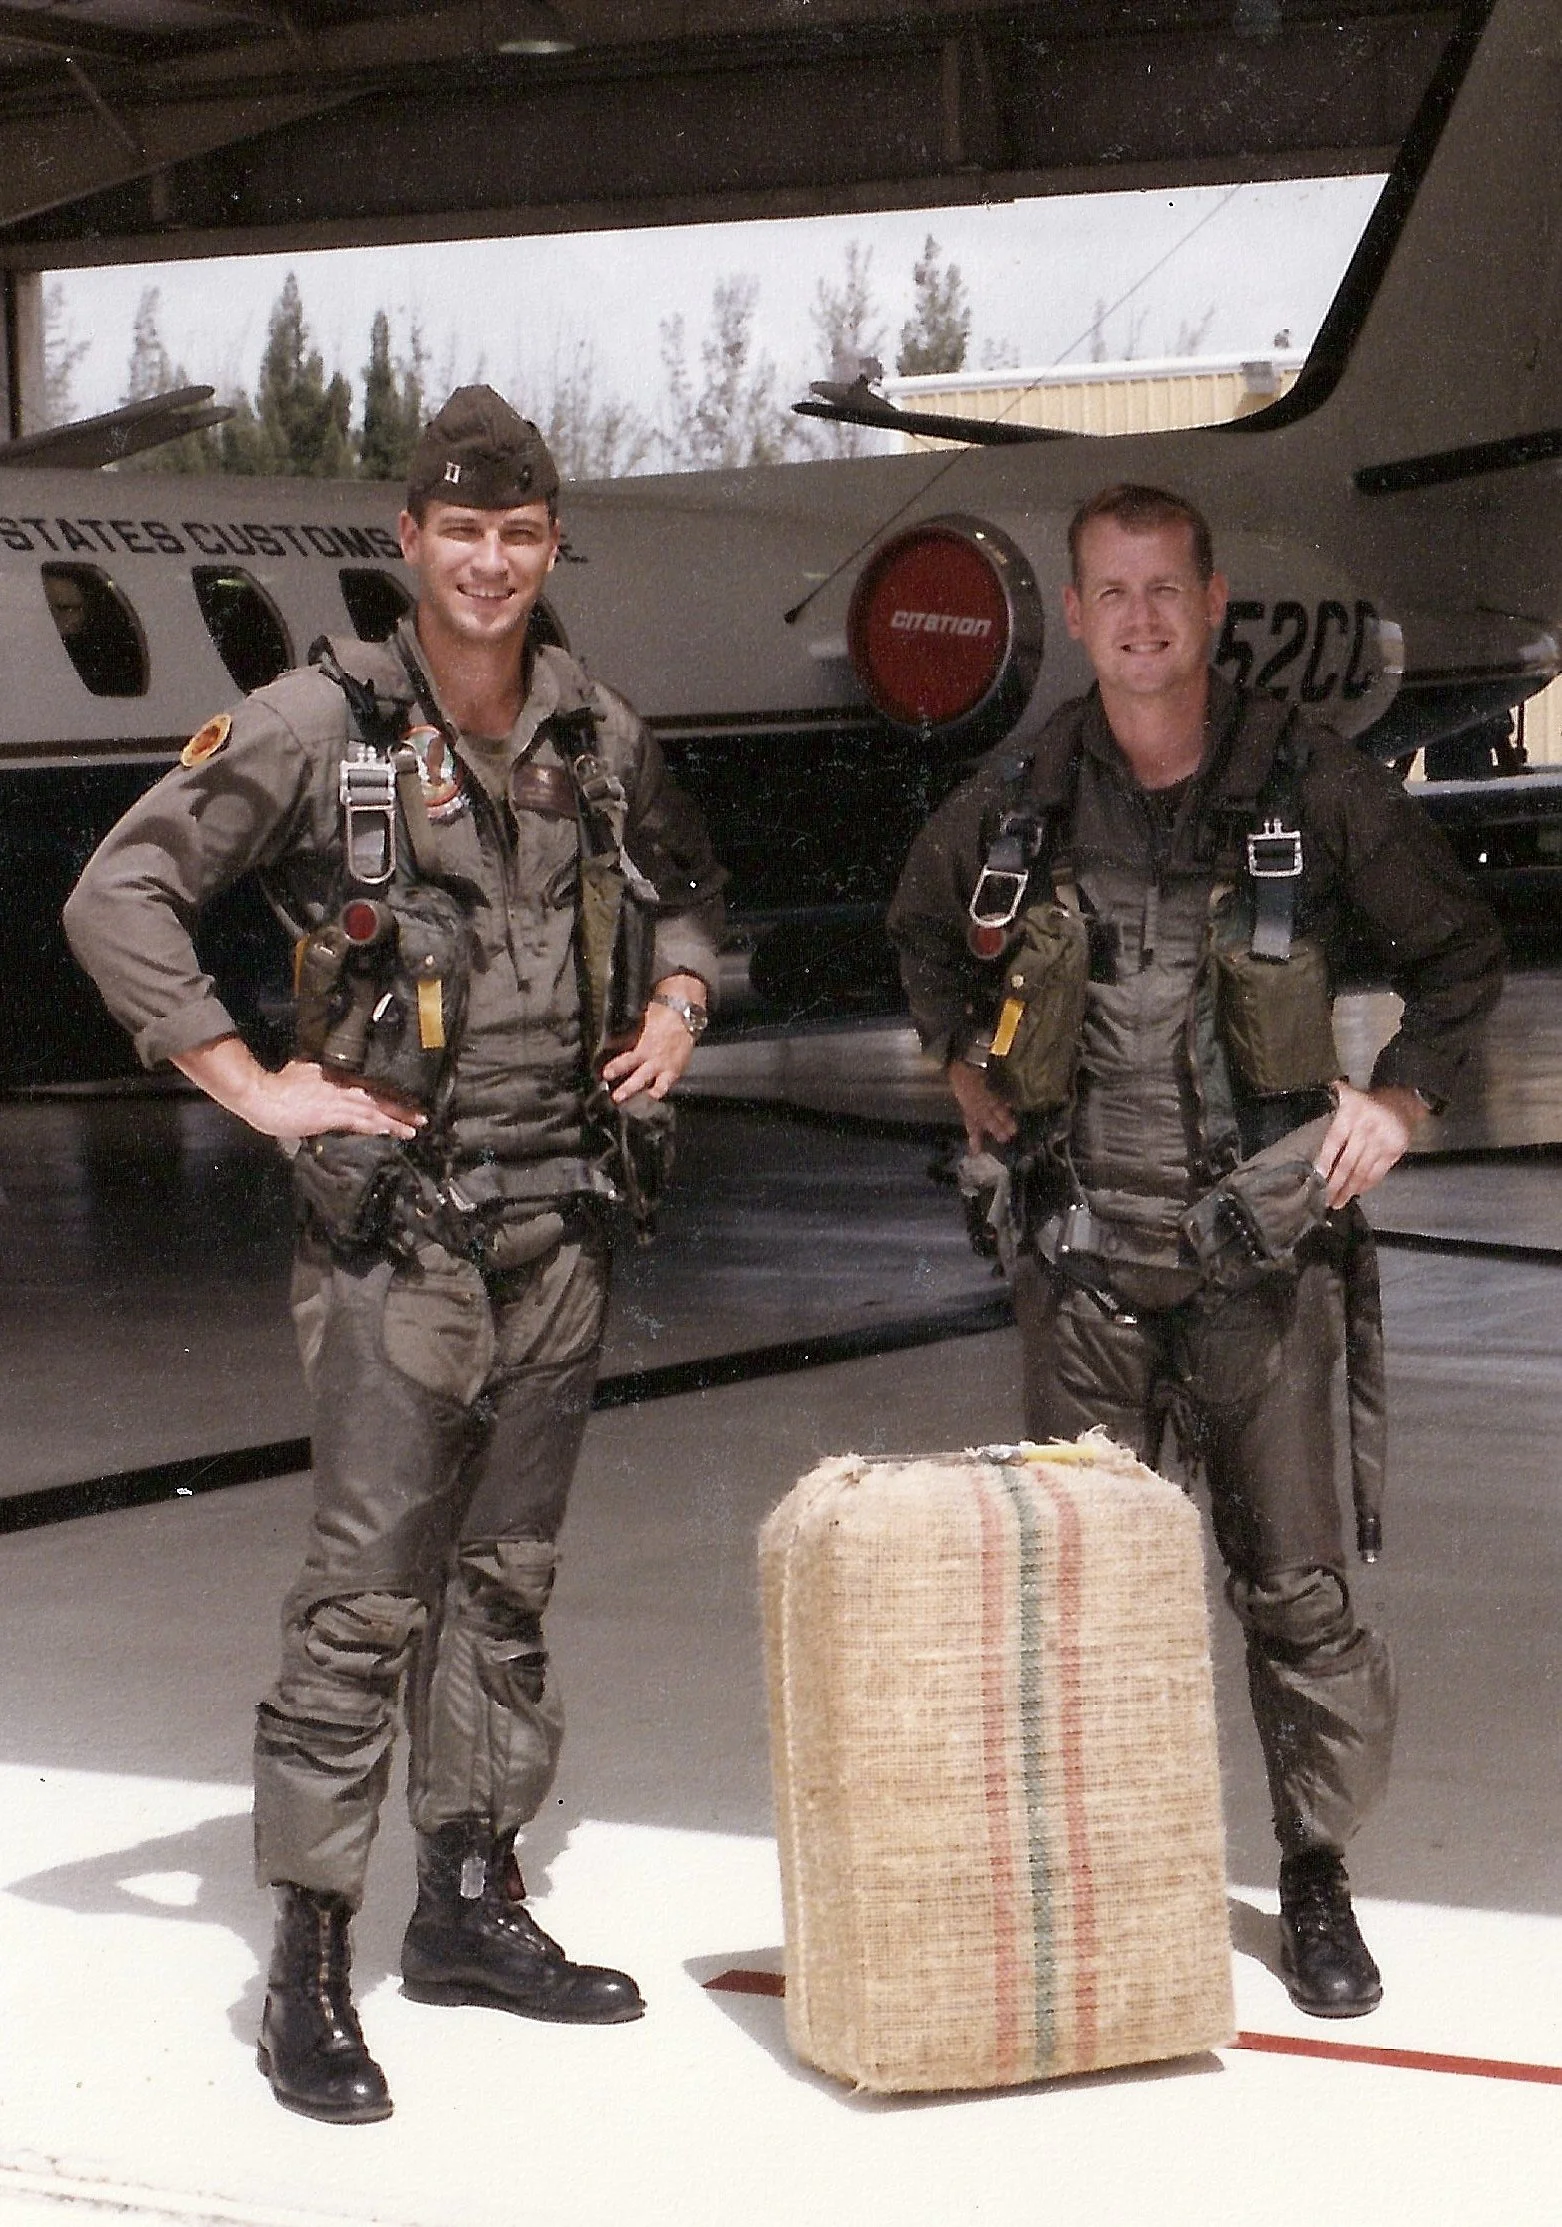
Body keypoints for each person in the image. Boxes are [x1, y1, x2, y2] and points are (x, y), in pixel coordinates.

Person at [64, 387, 725, 2121]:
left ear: (549, 541)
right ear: (407, 541)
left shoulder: (597, 731)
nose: (490, 561)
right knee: (366, 1606)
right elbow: (114, 897)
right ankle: (308, 1954)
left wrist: (673, 994)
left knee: (502, 1588)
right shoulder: (317, 723)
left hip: (561, 1216)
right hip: (403, 1229)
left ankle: (469, 1902)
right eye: (460, 532)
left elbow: (693, 893)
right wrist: (252, 1085)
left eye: (519, 534)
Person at [886, 483, 1503, 2018]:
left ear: (1211, 603)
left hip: (1259, 1260)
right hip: (1087, 1265)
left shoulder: (1311, 779)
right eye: (1113, 592)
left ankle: (1313, 1876)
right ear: (1081, 615)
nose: (1142, 618)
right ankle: (1118, 1876)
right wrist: (970, 1072)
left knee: (1293, 1593)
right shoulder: (1022, 791)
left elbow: (1456, 952)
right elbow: (916, 929)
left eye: (1168, 589)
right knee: (1083, 1597)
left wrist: (1401, 1103)